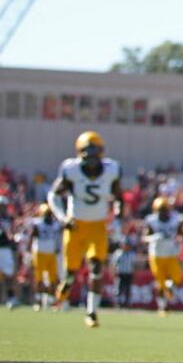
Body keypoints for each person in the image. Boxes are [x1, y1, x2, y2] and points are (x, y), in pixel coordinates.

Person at [47, 130, 124, 327]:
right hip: (76, 225)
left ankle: (91, 311)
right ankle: (67, 283)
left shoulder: (112, 169)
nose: (90, 158)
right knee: (72, 271)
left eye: (93, 152)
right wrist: (63, 217)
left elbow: (118, 195)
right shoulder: (70, 169)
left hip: (98, 225)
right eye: (86, 153)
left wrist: (117, 211)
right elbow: (53, 195)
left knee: (96, 268)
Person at [144, 196, 183, 316]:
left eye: (164, 209)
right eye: (160, 209)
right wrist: (154, 237)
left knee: (177, 278)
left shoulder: (175, 219)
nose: (163, 212)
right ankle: (163, 306)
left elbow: (182, 235)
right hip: (156, 255)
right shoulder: (152, 221)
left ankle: (169, 286)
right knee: (160, 282)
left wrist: (179, 239)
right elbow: (144, 237)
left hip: (171, 254)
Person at [26, 205, 62, 311]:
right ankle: (38, 301)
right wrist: (29, 252)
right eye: (47, 214)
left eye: (50, 214)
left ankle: (51, 302)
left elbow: (59, 236)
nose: (48, 216)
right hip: (39, 252)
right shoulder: (38, 224)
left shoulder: (56, 224)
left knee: (53, 279)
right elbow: (32, 236)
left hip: (51, 253)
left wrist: (58, 248)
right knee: (39, 278)